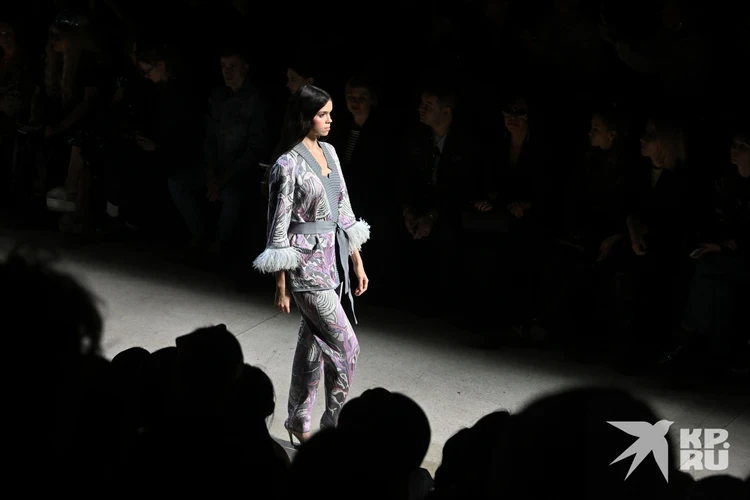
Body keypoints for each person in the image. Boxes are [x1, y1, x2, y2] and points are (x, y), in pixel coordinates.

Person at [252, 85, 370, 447]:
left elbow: (344, 209)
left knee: (313, 345)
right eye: (322, 115)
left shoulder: (330, 152)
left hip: (332, 261)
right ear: (305, 117)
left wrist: (357, 260)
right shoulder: (286, 164)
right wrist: (281, 285)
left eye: (331, 113)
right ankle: (331, 428)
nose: (330, 120)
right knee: (348, 348)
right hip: (304, 268)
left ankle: (298, 419)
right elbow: (278, 227)